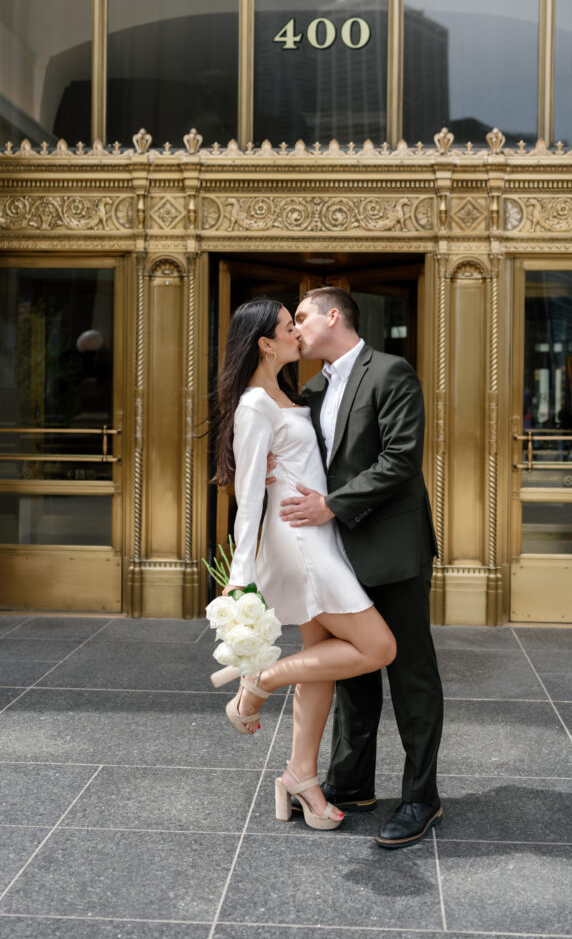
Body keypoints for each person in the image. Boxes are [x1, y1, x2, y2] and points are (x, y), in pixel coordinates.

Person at [211, 296, 397, 833]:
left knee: (322, 664)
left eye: (298, 322)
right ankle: (258, 684)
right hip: (298, 544)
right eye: (288, 327)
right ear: (266, 343)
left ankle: (300, 776)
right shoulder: (253, 407)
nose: (297, 332)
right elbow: (249, 499)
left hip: (321, 535)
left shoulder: (291, 395)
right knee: (377, 646)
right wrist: (239, 577)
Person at [273, 286, 444, 849]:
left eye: (301, 317)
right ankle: (353, 783)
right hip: (338, 552)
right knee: (353, 675)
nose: (296, 328)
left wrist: (331, 507)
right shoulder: (314, 387)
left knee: (411, 674)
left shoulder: (391, 371)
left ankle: (422, 798)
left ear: (333, 316)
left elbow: (401, 458)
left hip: (393, 548)